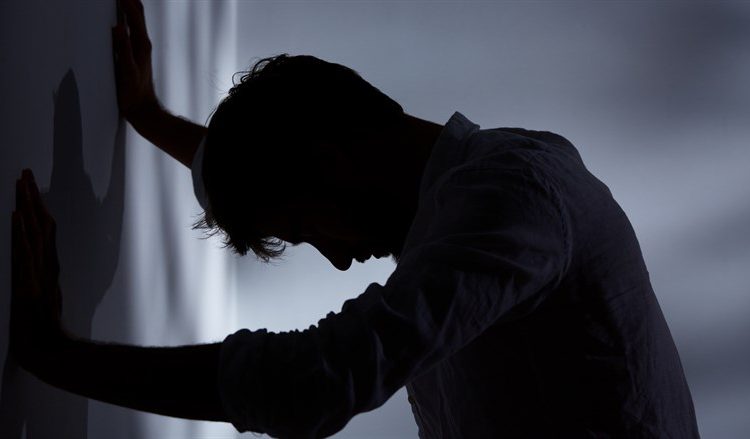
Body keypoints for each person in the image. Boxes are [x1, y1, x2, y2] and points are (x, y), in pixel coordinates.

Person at [9, 0, 700, 437]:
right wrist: (151, 119)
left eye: (308, 231)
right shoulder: (471, 201)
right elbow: (292, 171)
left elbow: (320, 377)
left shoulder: (515, 200)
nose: (338, 258)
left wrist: (55, 357)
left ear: (332, 162)